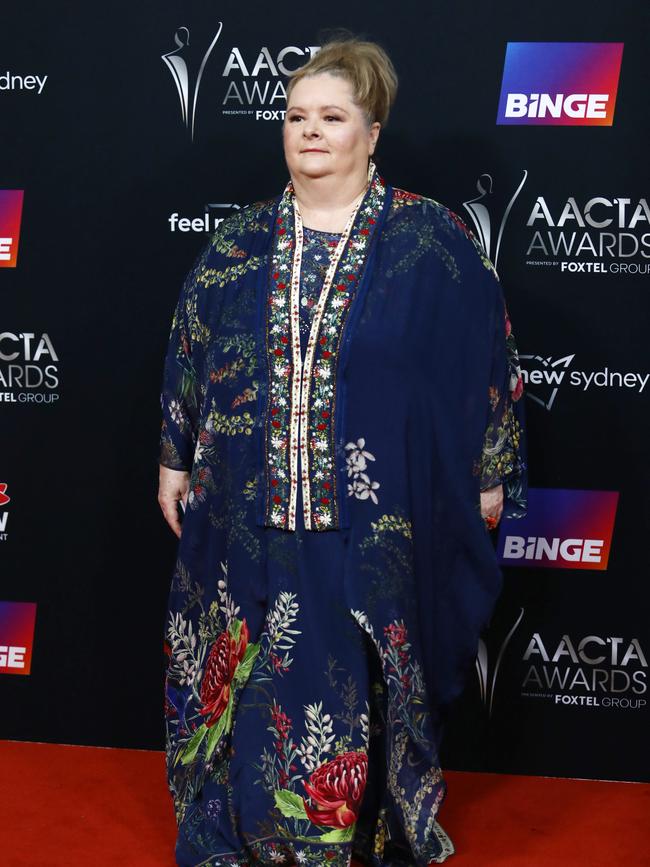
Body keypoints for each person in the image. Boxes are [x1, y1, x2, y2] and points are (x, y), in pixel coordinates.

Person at [158, 36, 527, 867]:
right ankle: (253, 834)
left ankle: (363, 829)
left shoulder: (430, 243)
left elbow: (487, 360)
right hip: (251, 517)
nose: (310, 131)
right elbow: (191, 353)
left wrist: (490, 471)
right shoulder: (238, 245)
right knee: (255, 676)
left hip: (378, 523)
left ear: (373, 131)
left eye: (333, 116)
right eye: (296, 116)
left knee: (367, 682)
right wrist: (173, 456)